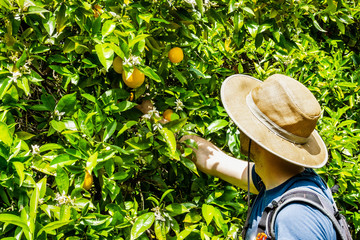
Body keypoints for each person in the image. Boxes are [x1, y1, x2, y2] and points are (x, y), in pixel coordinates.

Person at [181, 74, 340, 239]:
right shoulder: (275, 178)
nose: (239, 128)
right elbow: (215, 160)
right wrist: (163, 127)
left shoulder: (295, 218)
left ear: (257, 139)